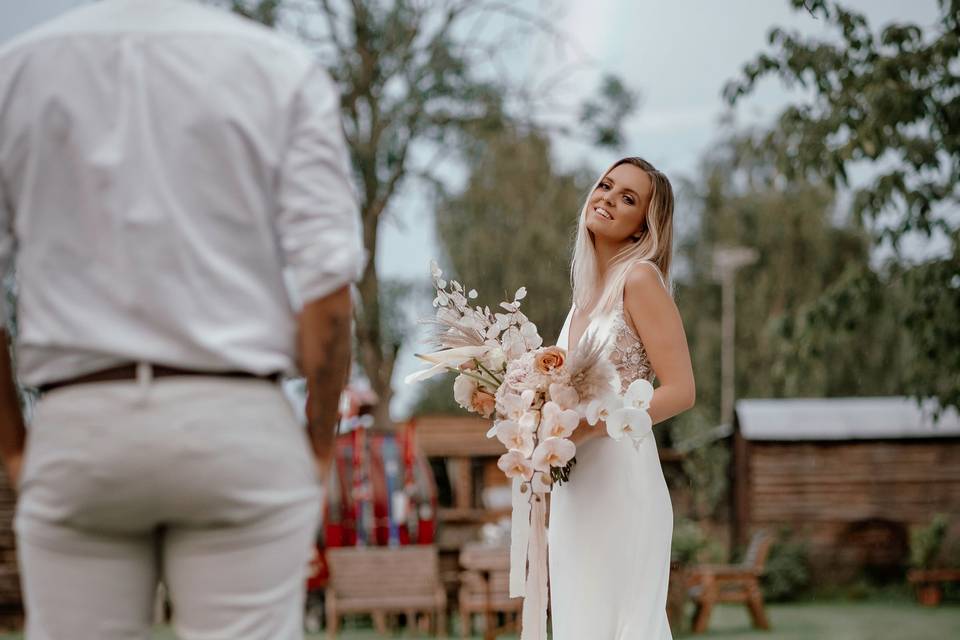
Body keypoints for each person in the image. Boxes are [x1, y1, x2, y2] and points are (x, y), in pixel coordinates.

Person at [0, 1, 364, 638]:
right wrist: (318, 442)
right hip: (235, 417)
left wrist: (14, 445)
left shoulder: (17, 70)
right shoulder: (278, 68)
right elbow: (328, 294)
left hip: (80, 416)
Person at [548, 157, 696, 639]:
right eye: (606, 186)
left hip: (623, 486)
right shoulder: (581, 302)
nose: (607, 199)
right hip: (575, 488)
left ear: (642, 227)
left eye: (627, 198)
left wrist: (596, 423)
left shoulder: (640, 279)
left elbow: (681, 390)